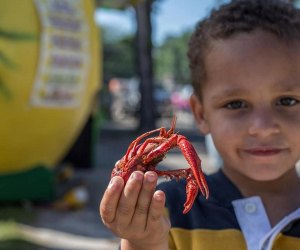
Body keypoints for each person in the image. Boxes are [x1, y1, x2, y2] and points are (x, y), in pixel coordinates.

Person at [99, 0, 300, 249]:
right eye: (236, 104)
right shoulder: (165, 207)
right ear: (201, 114)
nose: (262, 127)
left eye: (288, 100)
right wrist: (141, 241)